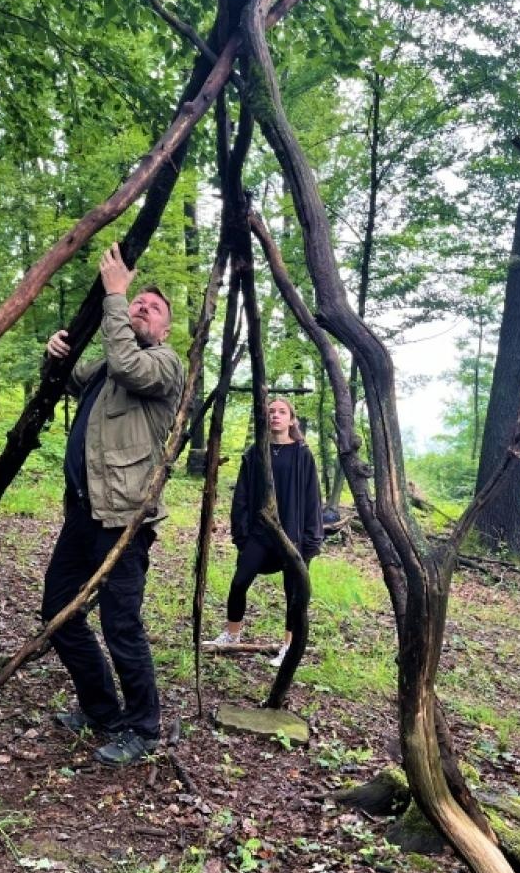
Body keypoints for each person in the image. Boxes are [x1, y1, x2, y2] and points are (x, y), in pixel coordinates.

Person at [41, 243, 185, 767]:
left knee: (121, 622)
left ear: (165, 330)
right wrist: (57, 349)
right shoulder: (106, 366)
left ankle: (144, 727)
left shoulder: (165, 365)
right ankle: (102, 710)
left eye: (152, 308)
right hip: (83, 512)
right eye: (138, 302)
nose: (141, 308)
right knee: (58, 610)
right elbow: (67, 380)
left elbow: (127, 363)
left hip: (125, 518)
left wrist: (117, 295)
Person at [212, 397, 323, 666]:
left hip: (292, 536)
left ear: (291, 419)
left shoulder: (302, 454)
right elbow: (241, 495)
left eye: (282, 412)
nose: (275, 415)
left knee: (293, 593)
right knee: (239, 582)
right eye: (271, 411)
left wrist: (311, 540)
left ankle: (287, 646)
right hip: (260, 534)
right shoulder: (254, 453)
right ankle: (232, 634)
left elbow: (312, 499)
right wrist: (241, 533)